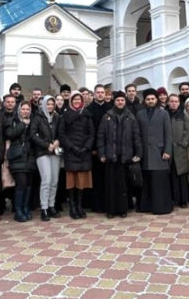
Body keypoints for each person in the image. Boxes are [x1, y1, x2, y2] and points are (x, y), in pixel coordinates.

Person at [98, 92, 142, 218]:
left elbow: (136, 136)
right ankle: (111, 210)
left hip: (125, 156)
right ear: (114, 101)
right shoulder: (107, 116)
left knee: (123, 185)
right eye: (118, 100)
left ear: (125, 101)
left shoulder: (130, 117)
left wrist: (138, 153)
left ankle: (123, 209)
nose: (120, 102)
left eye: (122, 100)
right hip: (111, 156)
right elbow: (101, 136)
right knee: (111, 185)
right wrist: (101, 153)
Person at [136, 88, 174, 215]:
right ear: (145, 101)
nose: (150, 101)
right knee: (147, 181)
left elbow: (168, 134)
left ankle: (161, 207)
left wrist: (167, 150)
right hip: (146, 153)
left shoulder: (163, 114)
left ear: (156, 100)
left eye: (152, 99)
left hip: (160, 152)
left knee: (159, 182)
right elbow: (138, 134)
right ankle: (147, 206)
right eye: (148, 99)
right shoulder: (140, 114)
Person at [61, 92, 95, 219]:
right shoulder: (65, 115)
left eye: (78, 99)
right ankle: (72, 207)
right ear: (71, 101)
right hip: (71, 151)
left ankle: (79, 206)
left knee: (81, 181)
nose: (76, 101)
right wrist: (72, 147)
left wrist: (86, 147)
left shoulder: (87, 114)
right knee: (71, 182)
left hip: (84, 152)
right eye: (74, 99)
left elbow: (92, 133)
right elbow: (62, 133)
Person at [5, 100, 38, 222]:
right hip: (17, 157)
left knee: (29, 185)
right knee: (21, 184)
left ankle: (25, 208)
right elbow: (10, 134)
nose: (25, 111)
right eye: (23, 109)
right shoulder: (13, 120)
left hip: (30, 158)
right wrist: (23, 124)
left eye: (28, 109)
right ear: (19, 110)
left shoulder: (33, 121)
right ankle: (18, 210)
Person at [32, 95, 62, 221]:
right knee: (46, 180)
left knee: (54, 180)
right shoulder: (38, 117)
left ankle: (51, 205)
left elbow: (61, 132)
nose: (50, 106)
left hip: (55, 152)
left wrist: (57, 142)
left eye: (52, 104)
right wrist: (46, 145)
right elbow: (33, 135)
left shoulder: (57, 117)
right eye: (48, 104)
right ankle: (44, 208)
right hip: (42, 153)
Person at [88, 85, 112, 213]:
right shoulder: (89, 109)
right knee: (96, 179)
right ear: (94, 94)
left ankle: (108, 204)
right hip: (95, 149)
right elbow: (88, 131)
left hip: (109, 149)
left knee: (108, 178)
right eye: (98, 92)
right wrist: (93, 148)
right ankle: (97, 205)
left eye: (102, 92)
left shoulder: (111, 108)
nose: (100, 94)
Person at [166, 94, 189, 208]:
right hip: (169, 149)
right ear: (168, 102)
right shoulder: (165, 114)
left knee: (181, 175)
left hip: (180, 149)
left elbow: (188, 130)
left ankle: (183, 200)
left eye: (176, 101)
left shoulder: (183, 114)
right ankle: (174, 199)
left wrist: (183, 142)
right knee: (172, 175)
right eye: (171, 101)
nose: (174, 103)